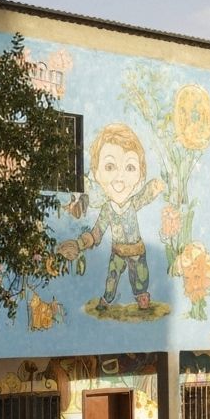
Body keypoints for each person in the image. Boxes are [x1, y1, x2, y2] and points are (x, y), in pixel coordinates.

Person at [57, 123, 165, 311]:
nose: (120, 177)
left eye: (130, 167)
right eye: (109, 166)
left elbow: (145, 195)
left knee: (140, 277)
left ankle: (141, 296)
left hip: (137, 251)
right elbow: (97, 232)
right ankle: (106, 300)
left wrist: (156, 186)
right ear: (97, 173)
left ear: (140, 174)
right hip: (118, 252)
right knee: (112, 278)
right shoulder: (107, 209)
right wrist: (80, 244)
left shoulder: (133, 203)